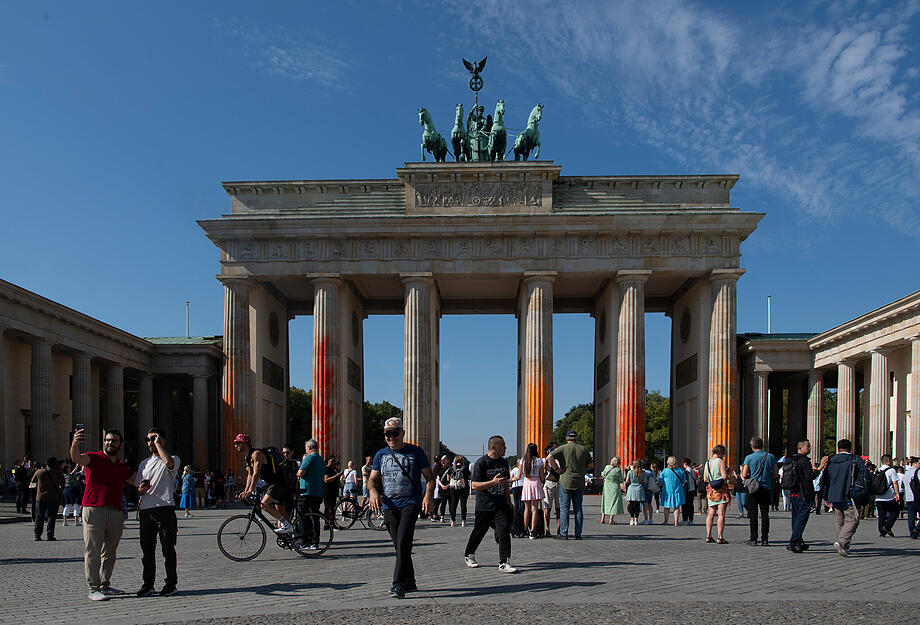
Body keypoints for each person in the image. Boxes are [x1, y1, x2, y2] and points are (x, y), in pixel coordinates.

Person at [368, 417, 435, 599]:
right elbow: (372, 480)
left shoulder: (416, 452)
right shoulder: (380, 455)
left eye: (395, 433)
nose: (392, 437)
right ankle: (410, 580)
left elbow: (430, 477)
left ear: (403, 433)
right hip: (389, 505)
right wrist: (373, 492)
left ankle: (397, 583)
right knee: (400, 545)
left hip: (410, 503)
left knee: (403, 541)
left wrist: (428, 496)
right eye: (388, 434)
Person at [70, 428, 136, 601]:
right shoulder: (93, 458)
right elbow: (76, 458)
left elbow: (135, 480)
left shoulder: (121, 466)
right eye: (107, 440)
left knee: (110, 551)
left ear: (120, 444)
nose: (109, 443)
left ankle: (105, 585)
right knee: (92, 550)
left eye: (114, 440)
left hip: (115, 511)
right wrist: (75, 443)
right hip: (93, 509)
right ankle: (93, 588)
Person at [134, 428, 180, 597]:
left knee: (168, 548)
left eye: (153, 438)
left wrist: (158, 443)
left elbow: (169, 464)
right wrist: (141, 489)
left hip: (165, 507)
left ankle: (171, 583)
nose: (150, 442)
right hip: (146, 509)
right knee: (147, 550)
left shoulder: (173, 458)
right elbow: (138, 488)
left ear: (163, 441)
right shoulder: (143, 464)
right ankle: (148, 584)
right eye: (147, 439)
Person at [464, 435, 517, 573]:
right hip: (485, 505)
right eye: (503, 445)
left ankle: (504, 562)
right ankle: (469, 555)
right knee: (479, 531)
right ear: (494, 447)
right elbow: (474, 485)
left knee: (504, 529)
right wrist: (492, 483)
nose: (506, 447)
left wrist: (508, 500)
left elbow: (505, 482)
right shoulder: (481, 463)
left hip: (501, 504)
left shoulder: (504, 463)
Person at [234, 433, 295, 534]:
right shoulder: (248, 458)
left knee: (264, 504)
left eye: (237, 443)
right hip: (272, 482)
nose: (236, 446)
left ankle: (287, 526)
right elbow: (250, 475)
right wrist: (245, 491)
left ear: (245, 444)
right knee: (280, 510)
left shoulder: (256, 454)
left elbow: (256, 473)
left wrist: (250, 490)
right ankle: (294, 536)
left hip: (278, 481)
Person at [823, 439, 871, 556]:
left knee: (839, 520)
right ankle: (842, 542)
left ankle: (843, 545)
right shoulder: (854, 459)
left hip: (834, 494)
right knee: (853, 519)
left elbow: (825, 479)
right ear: (850, 448)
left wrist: (826, 496)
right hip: (849, 493)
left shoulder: (832, 460)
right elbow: (866, 474)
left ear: (838, 448)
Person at [547, 430, 592, 539]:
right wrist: (582, 469)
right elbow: (590, 465)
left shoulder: (562, 448)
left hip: (565, 480)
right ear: (576, 438)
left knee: (564, 508)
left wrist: (556, 469)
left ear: (567, 438)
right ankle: (578, 534)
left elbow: (549, 457)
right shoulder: (583, 449)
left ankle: (564, 533)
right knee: (578, 508)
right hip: (579, 481)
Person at [785, 439, 828, 553]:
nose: (809, 449)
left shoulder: (791, 459)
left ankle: (799, 541)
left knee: (796, 518)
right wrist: (820, 468)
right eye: (807, 447)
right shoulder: (804, 461)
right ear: (801, 448)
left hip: (793, 492)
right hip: (804, 494)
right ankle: (793, 542)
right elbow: (810, 477)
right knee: (802, 519)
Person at [740, 436, 777, 546]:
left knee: (753, 514)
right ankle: (765, 539)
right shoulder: (770, 457)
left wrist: (747, 476)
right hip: (765, 488)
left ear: (752, 446)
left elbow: (744, 474)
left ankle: (753, 538)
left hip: (753, 489)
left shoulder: (749, 458)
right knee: (765, 514)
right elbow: (775, 473)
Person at [295, 439, 325, 550]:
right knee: (315, 517)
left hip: (306, 492)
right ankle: (315, 541)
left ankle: (305, 540)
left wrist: (298, 473)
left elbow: (300, 473)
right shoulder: (321, 459)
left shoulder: (309, 458)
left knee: (303, 517)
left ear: (309, 448)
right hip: (318, 492)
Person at [31, 457, 64, 541]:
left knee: (39, 516)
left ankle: (37, 535)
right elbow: (63, 483)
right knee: (51, 517)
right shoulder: (58, 473)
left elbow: (32, 481)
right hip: (53, 497)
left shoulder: (39, 472)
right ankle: (50, 535)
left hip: (40, 497)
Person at [703, 444, 730, 544]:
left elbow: (705, 479)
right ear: (720, 453)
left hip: (711, 490)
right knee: (721, 514)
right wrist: (728, 476)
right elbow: (724, 476)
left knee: (711, 514)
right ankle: (720, 537)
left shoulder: (707, 463)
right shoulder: (720, 462)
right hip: (721, 490)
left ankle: (708, 535)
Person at [518, 443, 545, 539]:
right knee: (534, 509)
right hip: (536, 483)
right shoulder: (539, 461)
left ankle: (525, 529)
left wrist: (513, 479)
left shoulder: (523, 460)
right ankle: (533, 531)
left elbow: (519, 475)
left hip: (526, 483)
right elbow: (542, 477)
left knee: (526, 509)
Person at [875, 454, 900, 537]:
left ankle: (882, 531)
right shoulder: (891, 470)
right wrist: (897, 493)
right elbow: (895, 482)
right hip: (889, 496)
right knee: (895, 512)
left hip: (878, 497)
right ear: (889, 461)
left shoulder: (877, 470)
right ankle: (887, 527)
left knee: (881, 515)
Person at [659, 456, 686, 526]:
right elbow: (684, 480)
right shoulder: (680, 470)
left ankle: (666, 520)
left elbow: (660, 481)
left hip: (667, 491)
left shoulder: (665, 471)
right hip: (677, 490)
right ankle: (676, 522)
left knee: (666, 506)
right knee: (676, 507)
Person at [447, 455, 471, 527]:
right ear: (462, 461)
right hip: (463, 488)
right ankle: (463, 521)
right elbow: (470, 477)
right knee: (463, 504)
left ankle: (453, 521)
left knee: (453, 504)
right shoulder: (465, 468)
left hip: (453, 488)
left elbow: (448, 479)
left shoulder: (451, 469)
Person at [542, 444, 561, 536]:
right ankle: (547, 529)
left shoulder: (559, 459)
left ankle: (559, 528)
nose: (555, 450)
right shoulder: (545, 460)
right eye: (552, 448)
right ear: (548, 450)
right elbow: (544, 472)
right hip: (549, 483)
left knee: (559, 508)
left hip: (559, 483)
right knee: (547, 508)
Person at [599, 457, 624, 524]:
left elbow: (603, 474)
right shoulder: (618, 470)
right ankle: (611, 519)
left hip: (606, 486)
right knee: (614, 502)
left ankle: (602, 518)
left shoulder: (607, 467)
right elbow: (621, 479)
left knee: (605, 501)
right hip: (614, 487)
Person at [901, 457, 919, 539]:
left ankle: (912, 533)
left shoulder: (906, 473)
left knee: (911, 516)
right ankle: (917, 529)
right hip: (917, 497)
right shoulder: (917, 472)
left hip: (908, 497)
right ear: (915, 463)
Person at [624, 459, 646, 526]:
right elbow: (645, 481)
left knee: (631, 504)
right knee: (637, 505)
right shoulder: (643, 472)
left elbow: (627, 481)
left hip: (631, 489)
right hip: (639, 489)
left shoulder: (630, 472)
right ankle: (636, 519)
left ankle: (631, 519)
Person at [61, 462, 83, 526]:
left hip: (66, 490)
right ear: (67, 469)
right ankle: (76, 521)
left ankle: (64, 521)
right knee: (76, 505)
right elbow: (74, 472)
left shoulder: (64, 475)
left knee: (67, 506)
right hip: (74, 489)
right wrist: (77, 465)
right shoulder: (71, 475)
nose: (70, 469)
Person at [323, 456, 343, 524]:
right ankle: (329, 523)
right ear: (328, 461)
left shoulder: (334, 468)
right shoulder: (326, 469)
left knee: (332, 507)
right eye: (332, 461)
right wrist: (337, 476)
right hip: (328, 491)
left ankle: (330, 522)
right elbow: (326, 480)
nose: (333, 462)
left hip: (334, 491)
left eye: (334, 461)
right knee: (329, 508)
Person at [680, 459, 697, 525]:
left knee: (685, 506)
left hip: (687, 490)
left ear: (685, 463)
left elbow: (685, 482)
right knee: (691, 505)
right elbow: (695, 478)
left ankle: (685, 520)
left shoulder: (686, 471)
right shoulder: (692, 470)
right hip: (692, 489)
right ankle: (691, 520)